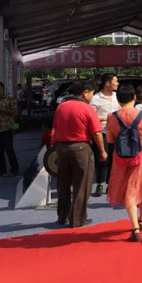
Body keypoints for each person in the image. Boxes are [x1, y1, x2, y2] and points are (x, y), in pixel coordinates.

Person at [106, 84, 142, 242]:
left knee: (129, 190)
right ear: (134, 98)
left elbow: (110, 140)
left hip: (122, 156)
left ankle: (135, 227)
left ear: (118, 100)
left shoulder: (112, 117)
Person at [51, 80, 107, 227]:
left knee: (63, 183)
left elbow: (54, 130)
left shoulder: (61, 106)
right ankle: (77, 218)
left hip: (62, 147)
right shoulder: (87, 108)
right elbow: (97, 133)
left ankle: (62, 216)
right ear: (85, 93)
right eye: (92, 93)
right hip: (81, 147)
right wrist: (102, 151)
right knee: (82, 183)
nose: (92, 96)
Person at [90, 73, 119, 197]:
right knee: (102, 159)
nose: (117, 83)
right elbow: (91, 117)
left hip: (116, 133)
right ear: (107, 83)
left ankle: (110, 184)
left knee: (114, 159)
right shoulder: (95, 98)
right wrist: (107, 117)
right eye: (115, 81)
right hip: (102, 133)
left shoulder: (117, 96)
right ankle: (100, 183)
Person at [0, 83, 20, 177]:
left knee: (9, 149)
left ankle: (14, 169)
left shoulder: (9, 99)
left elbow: (15, 112)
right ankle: (2, 170)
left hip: (7, 128)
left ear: (3, 89)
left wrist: (2, 110)